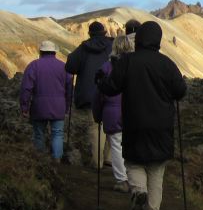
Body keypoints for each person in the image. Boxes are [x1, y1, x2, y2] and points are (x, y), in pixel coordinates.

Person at [97, 21, 187, 210]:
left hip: (134, 122)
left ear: (138, 39)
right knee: (156, 168)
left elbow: (111, 88)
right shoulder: (167, 64)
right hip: (162, 125)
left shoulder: (127, 62)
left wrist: (100, 81)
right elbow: (180, 91)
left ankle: (138, 191)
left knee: (134, 162)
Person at [66, 21, 113, 169]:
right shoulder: (111, 46)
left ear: (90, 34)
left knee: (95, 127)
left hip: (89, 93)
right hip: (111, 90)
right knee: (112, 125)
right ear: (104, 33)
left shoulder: (83, 48)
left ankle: (97, 162)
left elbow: (70, 66)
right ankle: (110, 158)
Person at [92, 35, 134, 193]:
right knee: (130, 145)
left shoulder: (106, 67)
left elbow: (99, 93)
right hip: (133, 111)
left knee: (116, 145)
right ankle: (135, 179)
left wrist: (97, 114)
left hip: (112, 112)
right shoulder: (135, 66)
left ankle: (122, 180)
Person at [19, 41, 73, 160]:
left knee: (39, 134)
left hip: (39, 106)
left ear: (41, 51)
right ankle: (57, 160)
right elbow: (69, 89)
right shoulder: (63, 66)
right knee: (57, 134)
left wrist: (24, 107)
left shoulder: (34, 65)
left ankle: (41, 161)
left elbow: (26, 88)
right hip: (59, 107)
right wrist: (67, 106)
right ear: (54, 52)